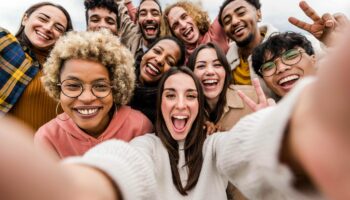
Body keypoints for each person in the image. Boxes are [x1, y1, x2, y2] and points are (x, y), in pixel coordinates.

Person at [1, 24, 350, 200]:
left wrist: (296, 135)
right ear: (160, 104)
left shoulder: (216, 145)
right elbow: (122, 163)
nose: (181, 104)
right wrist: (83, 187)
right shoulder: (146, 144)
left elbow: (244, 148)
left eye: (190, 96)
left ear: (200, 106)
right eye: (170, 94)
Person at [34, 30, 153, 159]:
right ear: (57, 86)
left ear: (116, 88)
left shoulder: (139, 126)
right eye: (73, 86)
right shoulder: (48, 137)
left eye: (100, 86)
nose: (87, 98)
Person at [0, 2, 73, 130]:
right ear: (25, 19)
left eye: (58, 28)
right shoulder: (4, 42)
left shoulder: (65, 70)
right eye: (43, 19)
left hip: (50, 149)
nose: (48, 28)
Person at [188, 42, 259, 131]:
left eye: (217, 65)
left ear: (226, 71)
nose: (210, 72)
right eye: (201, 66)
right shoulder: (185, 109)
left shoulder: (253, 98)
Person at [129, 36, 185, 124]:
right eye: (157, 51)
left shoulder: (165, 110)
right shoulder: (117, 76)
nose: (159, 60)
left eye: (169, 61)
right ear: (145, 53)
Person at [163, 1, 229, 63]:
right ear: (172, 34)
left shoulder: (215, 31)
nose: (183, 25)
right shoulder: (179, 61)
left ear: (194, 16)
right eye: (175, 25)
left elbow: (231, 7)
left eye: (184, 17)